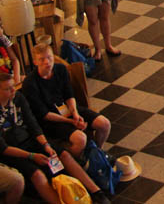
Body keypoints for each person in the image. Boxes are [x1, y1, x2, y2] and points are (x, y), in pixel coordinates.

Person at [0, 73, 110, 204]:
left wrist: (46, 145)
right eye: (8, 89)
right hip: (12, 151)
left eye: (13, 86)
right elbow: (4, 148)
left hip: (30, 140)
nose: (13, 90)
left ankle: (96, 191)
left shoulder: (18, 98)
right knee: (38, 175)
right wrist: (31, 156)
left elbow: (32, 124)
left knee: (64, 155)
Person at [23, 44, 111, 159]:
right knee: (80, 139)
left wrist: (75, 113)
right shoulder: (30, 83)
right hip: (50, 120)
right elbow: (43, 114)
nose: (47, 62)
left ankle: (97, 154)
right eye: (42, 59)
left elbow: (69, 94)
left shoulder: (60, 69)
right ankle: (77, 162)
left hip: (66, 108)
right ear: (35, 62)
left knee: (104, 124)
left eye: (49, 57)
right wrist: (70, 121)